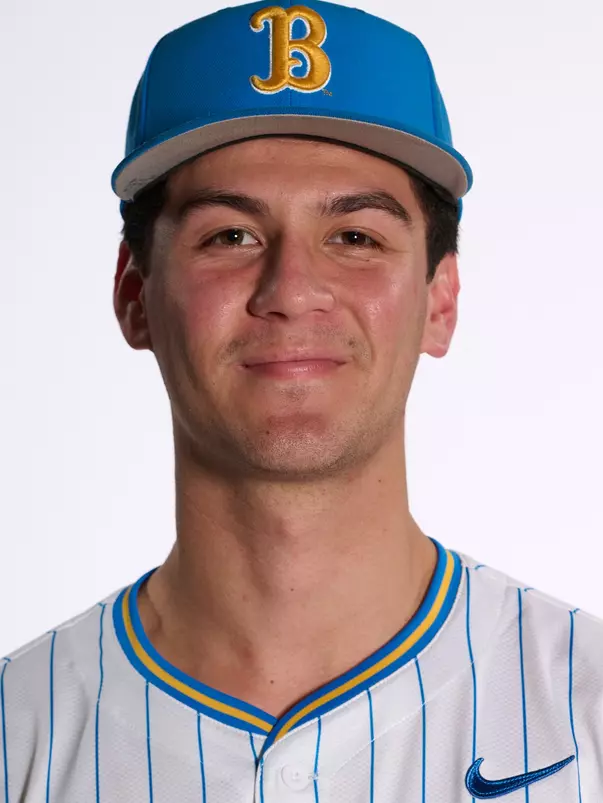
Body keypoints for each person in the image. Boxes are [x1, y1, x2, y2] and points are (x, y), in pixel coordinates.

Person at [1, 1, 601, 800]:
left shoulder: (586, 708)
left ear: (440, 298)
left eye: (355, 237)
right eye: (230, 236)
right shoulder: (17, 734)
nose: (290, 291)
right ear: (134, 294)